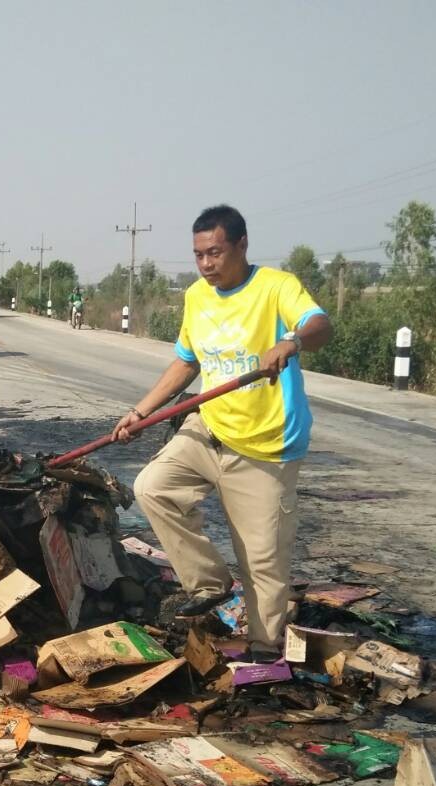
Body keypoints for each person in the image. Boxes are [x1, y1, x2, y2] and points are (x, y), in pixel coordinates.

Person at [116, 205, 333, 655]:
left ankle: (264, 649)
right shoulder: (197, 296)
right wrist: (141, 411)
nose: (206, 264)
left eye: (215, 253)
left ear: (241, 245)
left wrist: (290, 342)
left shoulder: (276, 287)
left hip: (266, 447)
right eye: (198, 255)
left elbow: (319, 325)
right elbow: (187, 361)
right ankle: (210, 584)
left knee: (263, 562)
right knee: (153, 488)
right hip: (208, 427)